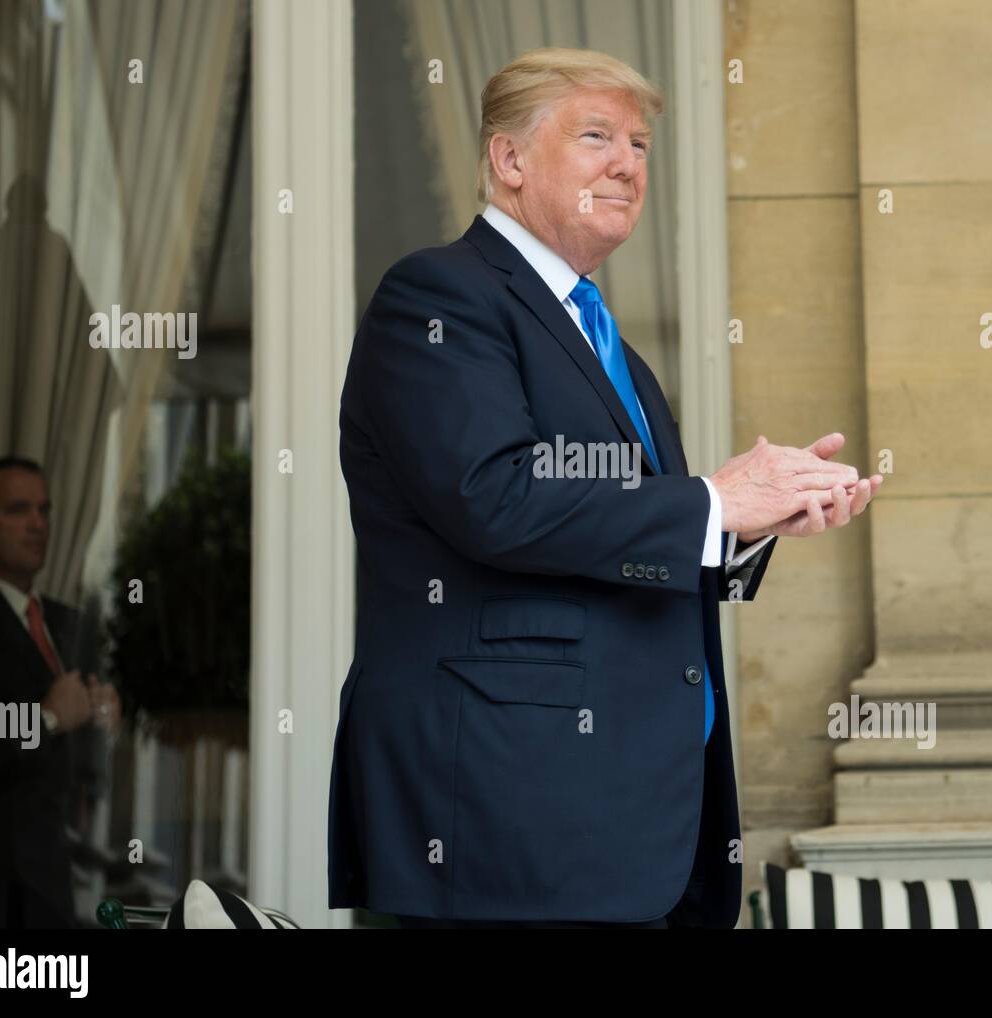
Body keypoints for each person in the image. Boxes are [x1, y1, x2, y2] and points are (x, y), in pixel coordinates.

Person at [327, 47, 882, 929]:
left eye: (639, 142)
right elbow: (492, 498)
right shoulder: (439, 295)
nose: (628, 163)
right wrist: (712, 502)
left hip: (634, 823)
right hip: (511, 819)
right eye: (596, 137)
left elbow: (630, 546)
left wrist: (755, 523)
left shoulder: (603, 341)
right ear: (510, 161)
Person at [0, 456, 120, 928]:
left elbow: (80, 743)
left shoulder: (66, 622)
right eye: (17, 510)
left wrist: (103, 717)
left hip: (59, 876)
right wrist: (45, 720)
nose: (38, 524)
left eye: (44, 510)